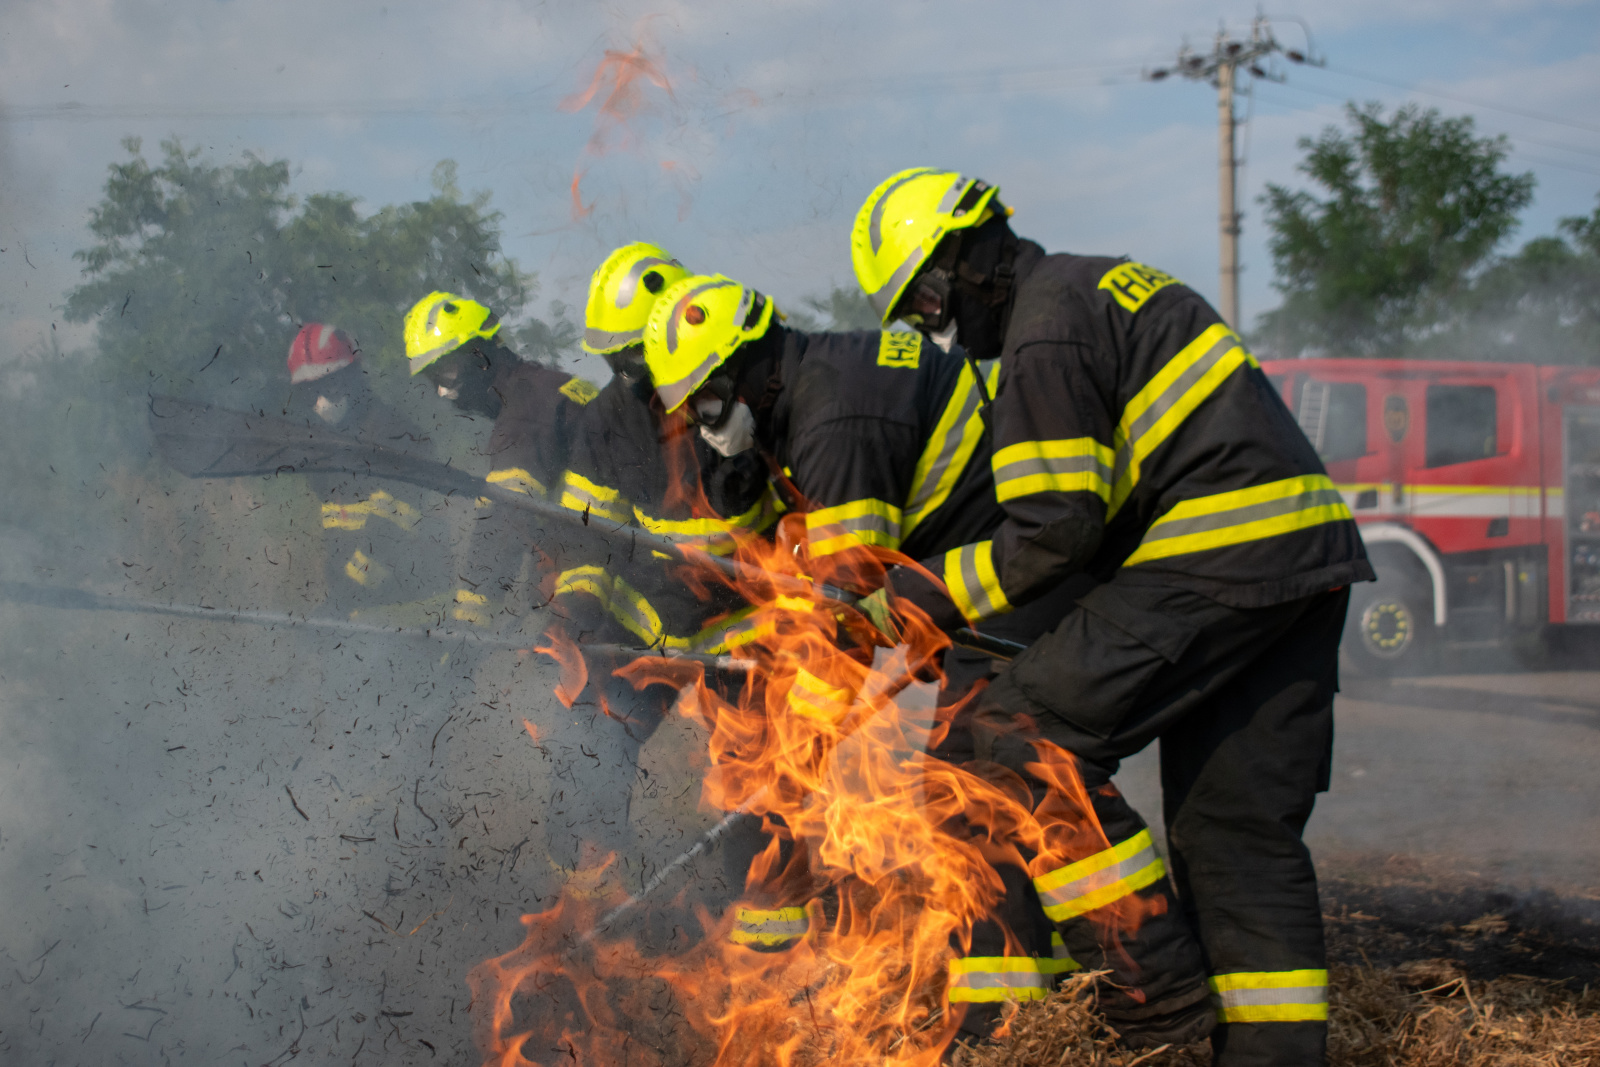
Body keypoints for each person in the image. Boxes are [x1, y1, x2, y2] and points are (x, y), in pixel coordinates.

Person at [848, 168, 1373, 1064]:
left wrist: (923, 595)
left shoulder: (1041, 330)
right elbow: (1097, 522)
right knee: (1232, 827)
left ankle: (1157, 1010)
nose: (935, 322)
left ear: (974, 252)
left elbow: (1055, 527)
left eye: (929, 296)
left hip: (1220, 551)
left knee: (1018, 733)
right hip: (1299, 560)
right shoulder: (1090, 287)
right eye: (915, 313)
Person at [642, 273, 1088, 1042]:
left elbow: (848, 607)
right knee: (911, 783)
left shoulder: (836, 416)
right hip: (939, 593)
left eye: (709, 407)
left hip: (991, 597)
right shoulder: (816, 386)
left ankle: (1007, 1021)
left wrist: (800, 738)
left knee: (965, 787)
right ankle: (977, 989)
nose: (708, 429)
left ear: (749, 367)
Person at [283, 322, 451, 620]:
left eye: (330, 386)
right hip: (358, 617)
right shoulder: (324, 446)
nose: (321, 401)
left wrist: (341, 602)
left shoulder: (398, 438)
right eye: (311, 393)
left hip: (410, 615)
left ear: (353, 377)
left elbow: (388, 538)